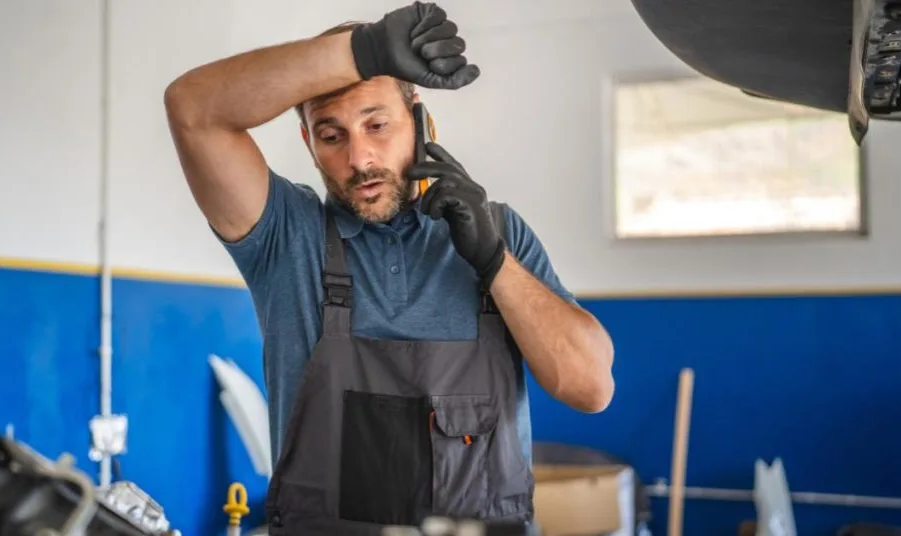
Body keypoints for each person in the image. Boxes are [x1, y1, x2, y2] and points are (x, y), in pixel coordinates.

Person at [163, 2, 615, 533]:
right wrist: (365, 50)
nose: (360, 159)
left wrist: (493, 260)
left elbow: (590, 388)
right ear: (309, 143)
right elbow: (192, 109)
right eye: (332, 136)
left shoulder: (501, 233)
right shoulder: (290, 239)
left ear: (421, 121)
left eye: (377, 125)